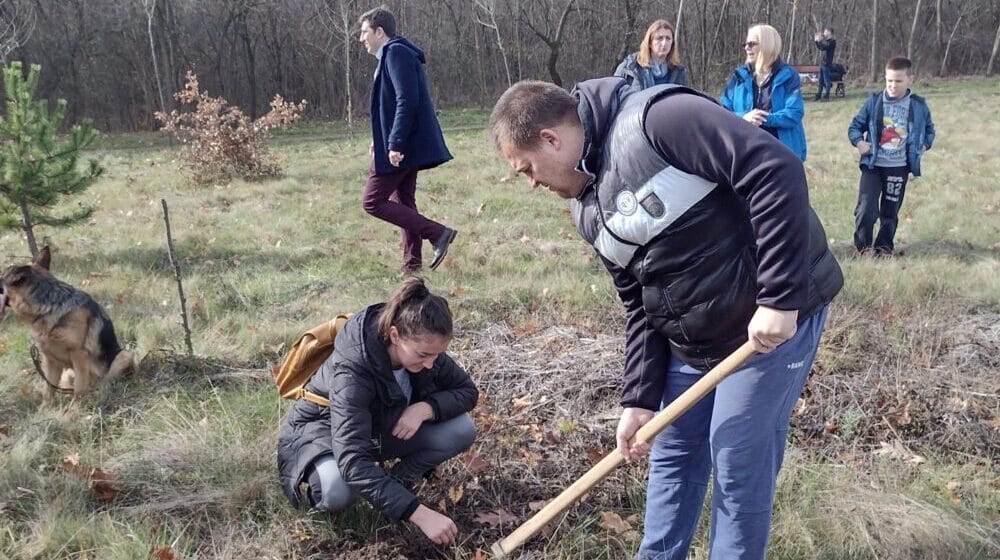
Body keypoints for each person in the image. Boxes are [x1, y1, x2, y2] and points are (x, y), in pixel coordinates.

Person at [489, 78, 842, 559]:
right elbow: (640, 302)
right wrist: (639, 396)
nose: (531, 182)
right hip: (692, 341)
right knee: (673, 456)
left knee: (737, 459)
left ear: (551, 139)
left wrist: (779, 299)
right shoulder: (586, 211)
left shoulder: (659, 120)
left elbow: (774, 169)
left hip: (766, 326)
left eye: (527, 168)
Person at [276, 277, 478, 546]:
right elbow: (351, 460)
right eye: (423, 355)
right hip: (322, 432)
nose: (431, 364)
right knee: (336, 489)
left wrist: (425, 408)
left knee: (461, 430)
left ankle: (393, 484)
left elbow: (467, 391)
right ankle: (366, 495)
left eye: (436, 356)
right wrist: (419, 513)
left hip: (375, 428)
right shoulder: (353, 370)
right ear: (395, 336)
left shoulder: (423, 345)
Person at [358, 6, 457, 273]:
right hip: (401, 144)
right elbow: (391, 106)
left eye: (365, 31)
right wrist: (380, 139)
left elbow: (407, 100)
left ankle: (437, 232)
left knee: (372, 201)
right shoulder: (390, 55)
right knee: (404, 202)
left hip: (403, 147)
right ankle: (412, 265)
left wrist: (395, 143)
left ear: (380, 31)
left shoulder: (396, 53)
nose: (361, 38)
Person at [848, 56, 935, 257]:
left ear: (910, 79)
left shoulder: (919, 106)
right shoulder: (874, 102)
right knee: (866, 208)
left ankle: (884, 247)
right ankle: (862, 247)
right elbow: (855, 126)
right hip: (873, 165)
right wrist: (859, 142)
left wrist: (924, 144)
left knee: (890, 211)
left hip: (898, 167)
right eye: (889, 81)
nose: (892, 86)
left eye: (898, 81)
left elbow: (929, 130)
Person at [720, 24, 807, 161]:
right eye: (745, 44)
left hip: (781, 153)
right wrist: (744, 117)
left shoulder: (788, 76)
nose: (746, 48)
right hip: (745, 153)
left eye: (752, 43)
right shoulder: (738, 76)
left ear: (767, 45)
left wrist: (762, 118)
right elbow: (722, 112)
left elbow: (794, 112)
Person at [614, 19, 689, 90]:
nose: (664, 43)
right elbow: (614, 96)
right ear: (649, 42)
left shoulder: (679, 72)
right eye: (659, 38)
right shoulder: (630, 67)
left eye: (668, 38)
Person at [813, 27, 837, 101]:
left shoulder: (832, 41)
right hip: (823, 63)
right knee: (820, 80)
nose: (824, 33)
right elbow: (820, 48)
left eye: (825, 32)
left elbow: (824, 47)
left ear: (829, 32)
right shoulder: (827, 41)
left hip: (827, 63)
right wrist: (817, 42)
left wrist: (819, 41)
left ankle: (827, 95)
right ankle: (819, 94)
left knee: (826, 80)